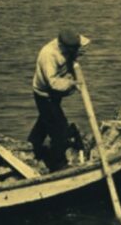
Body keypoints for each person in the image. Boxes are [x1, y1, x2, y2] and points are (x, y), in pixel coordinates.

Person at [28, 29, 90, 171]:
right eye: (74, 49)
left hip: (54, 96)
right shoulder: (48, 55)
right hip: (45, 95)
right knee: (59, 129)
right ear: (63, 46)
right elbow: (53, 83)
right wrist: (73, 84)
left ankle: (31, 148)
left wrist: (74, 55)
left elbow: (70, 58)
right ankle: (58, 164)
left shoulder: (67, 46)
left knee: (45, 122)